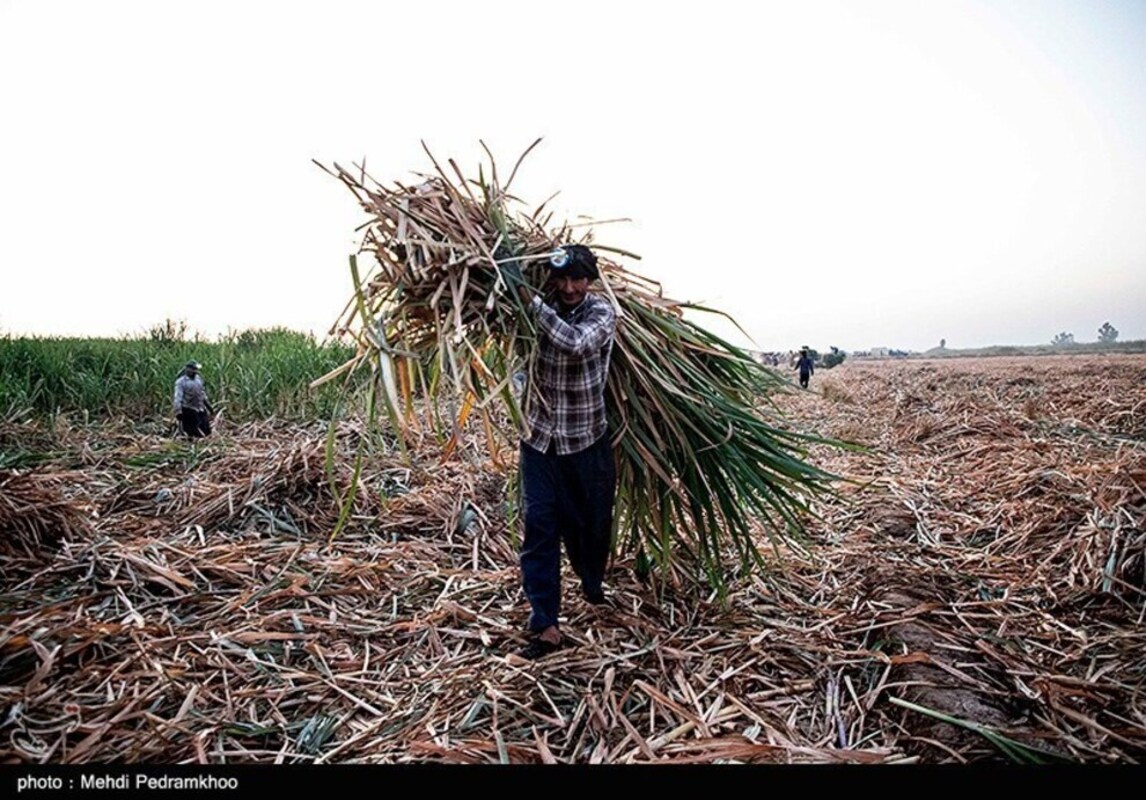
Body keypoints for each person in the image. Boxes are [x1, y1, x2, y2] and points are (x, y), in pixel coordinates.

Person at [502, 244, 618, 660]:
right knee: (539, 528)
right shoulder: (536, 308)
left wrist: (527, 299)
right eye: (562, 279)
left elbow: (575, 344)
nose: (569, 287)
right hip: (539, 441)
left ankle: (591, 580)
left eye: (577, 279)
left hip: (584, 443)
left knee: (588, 530)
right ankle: (545, 623)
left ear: (590, 281)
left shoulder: (602, 314)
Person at [173, 361, 213, 438]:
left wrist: (208, 406)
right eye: (194, 369)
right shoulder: (181, 382)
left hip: (200, 409)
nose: (196, 371)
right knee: (192, 434)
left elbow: (202, 394)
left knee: (206, 432)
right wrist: (178, 412)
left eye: (196, 369)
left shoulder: (198, 379)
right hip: (189, 410)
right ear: (188, 369)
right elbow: (178, 398)